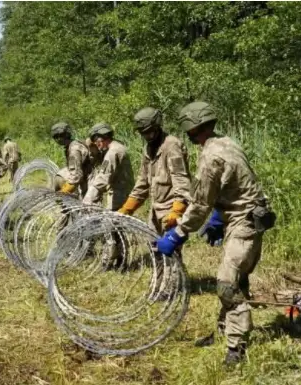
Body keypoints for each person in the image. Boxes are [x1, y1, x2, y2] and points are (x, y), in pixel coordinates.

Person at [155, 101, 276, 365]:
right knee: (235, 278)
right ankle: (224, 331)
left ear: (191, 127)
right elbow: (237, 184)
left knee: (226, 283)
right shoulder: (226, 142)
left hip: (244, 221)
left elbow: (200, 203)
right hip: (243, 216)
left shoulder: (210, 156)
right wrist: (220, 217)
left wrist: (178, 234)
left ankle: (236, 348)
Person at [117, 107, 192, 300]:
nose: (147, 136)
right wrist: (127, 208)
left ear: (158, 127)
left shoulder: (171, 145)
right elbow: (143, 182)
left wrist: (177, 210)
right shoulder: (148, 148)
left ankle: (173, 288)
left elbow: (181, 181)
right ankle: (160, 285)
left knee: (170, 250)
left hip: (171, 209)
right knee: (155, 250)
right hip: (155, 209)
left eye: (149, 131)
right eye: (143, 133)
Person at [82, 123, 134, 269]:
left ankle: (111, 259)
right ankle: (120, 259)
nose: (97, 146)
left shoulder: (112, 152)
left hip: (119, 193)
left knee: (111, 226)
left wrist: (88, 198)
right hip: (121, 191)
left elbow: (103, 177)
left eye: (96, 141)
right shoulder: (118, 147)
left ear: (101, 138)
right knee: (117, 227)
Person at [50, 122, 92, 198]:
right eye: (56, 136)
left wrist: (64, 192)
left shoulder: (74, 149)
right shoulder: (72, 145)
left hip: (90, 177)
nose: (59, 139)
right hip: (86, 175)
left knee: (88, 205)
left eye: (61, 135)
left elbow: (76, 175)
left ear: (67, 134)